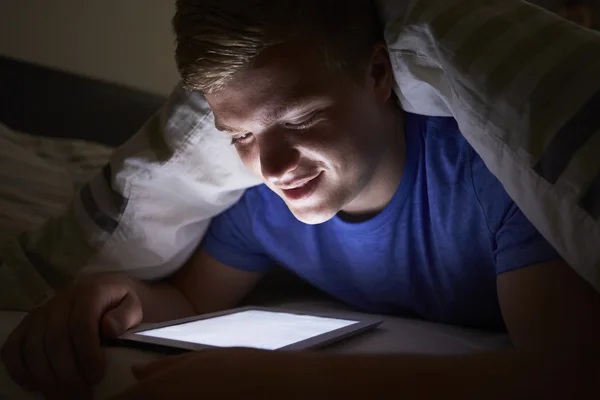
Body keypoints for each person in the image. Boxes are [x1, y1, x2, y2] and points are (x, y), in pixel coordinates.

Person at [2, 0, 600, 399]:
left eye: (302, 117)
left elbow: (564, 372)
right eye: (240, 135)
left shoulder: (486, 172)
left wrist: (299, 381)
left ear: (377, 74)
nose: (274, 166)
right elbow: (187, 297)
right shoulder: (256, 202)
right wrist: (114, 295)